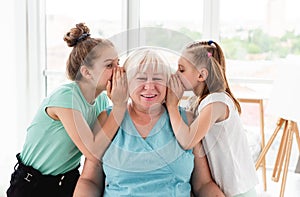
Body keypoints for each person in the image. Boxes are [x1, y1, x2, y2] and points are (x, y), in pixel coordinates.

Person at [73, 48, 224, 197]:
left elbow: (203, 184)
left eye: (158, 79)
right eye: (141, 78)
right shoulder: (107, 118)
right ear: (126, 82)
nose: (150, 86)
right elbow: (90, 180)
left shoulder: (187, 121)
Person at [6, 23, 128, 197]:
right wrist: (120, 105)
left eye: (119, 62)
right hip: (33, 185)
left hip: (68, 180)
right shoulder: (66, 97)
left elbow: (106, 137)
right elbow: (92, 151)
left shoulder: (101, 100)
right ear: (87, 72)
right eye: (109, 65)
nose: (119, 70)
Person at [166, 40, 258, 197]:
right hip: (224, 189)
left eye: (181, 70)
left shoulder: (216, 102)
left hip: (238, 191)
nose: (175, 74)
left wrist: (171, 106)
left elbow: (188, 140)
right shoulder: (198, 101)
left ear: (201, 75)